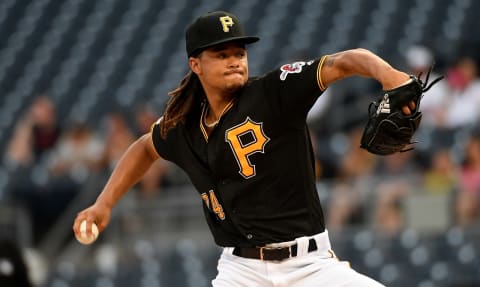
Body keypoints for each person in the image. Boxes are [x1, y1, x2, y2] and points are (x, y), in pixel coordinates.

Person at [73, 11, 418, 286]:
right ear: (196, 65)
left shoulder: (274, 92)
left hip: (310, 266)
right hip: (241, 272)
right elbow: (145, 147)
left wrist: (388, 75)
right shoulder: (184, 126)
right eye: (221, 54)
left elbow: (343, 62)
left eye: (239, 52)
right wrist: (104, 204)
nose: (235, 60)